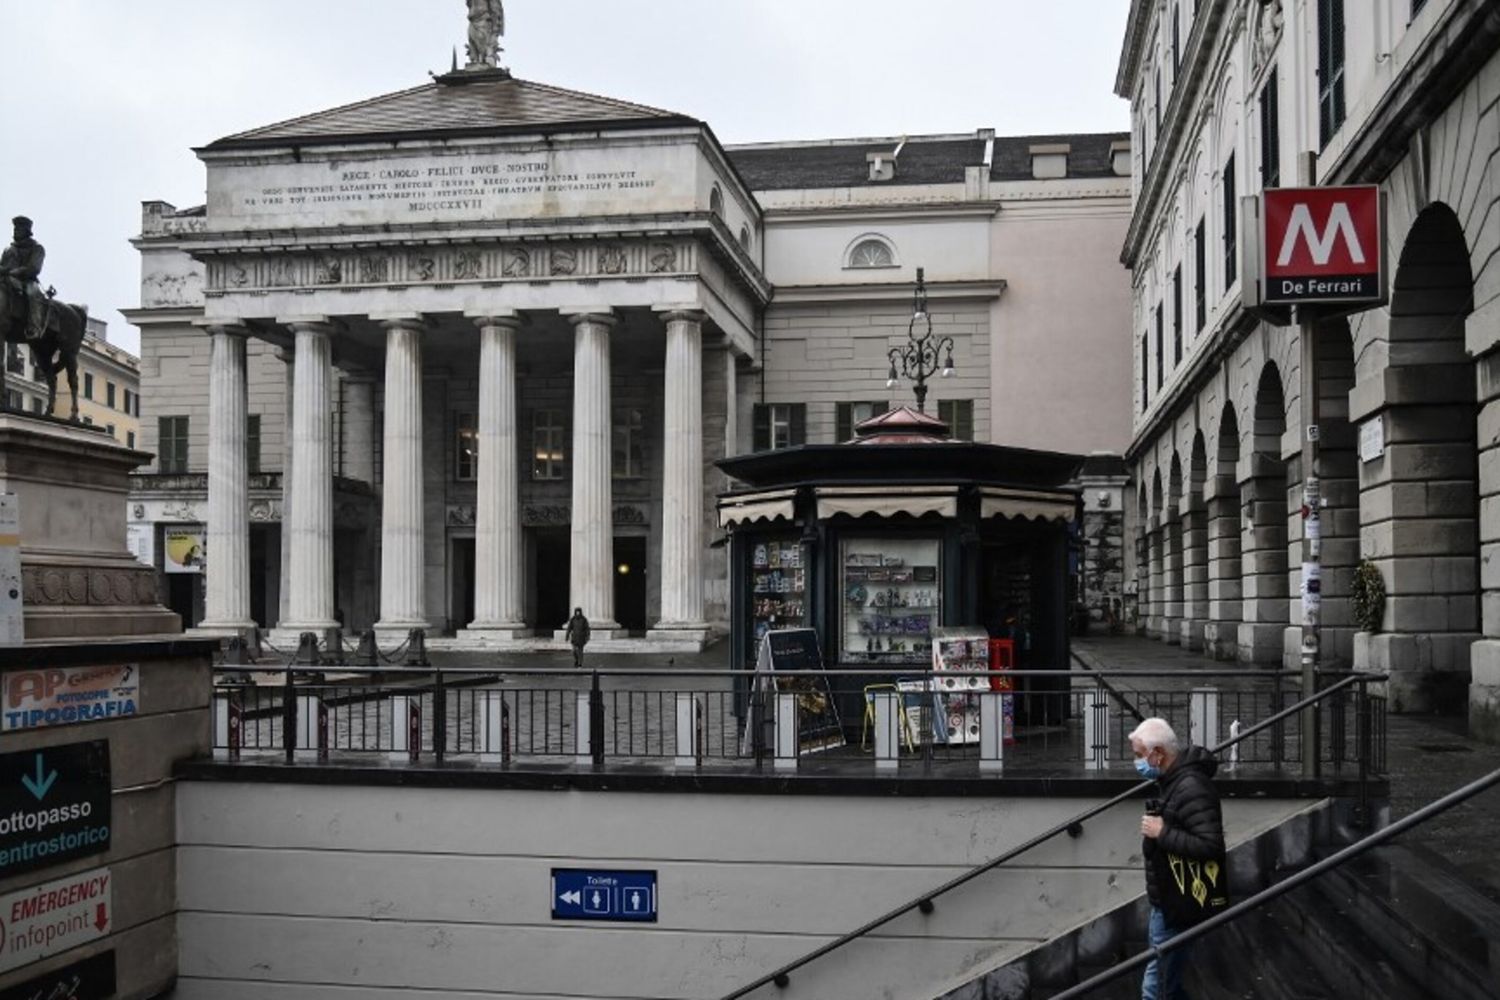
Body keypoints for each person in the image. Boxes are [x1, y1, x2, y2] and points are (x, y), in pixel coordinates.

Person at [1130, 717, 1225, 1000]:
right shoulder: (1173, 781)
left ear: (1158, 753)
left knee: (1155, 989)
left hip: (1176, 900)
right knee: (1167, 984)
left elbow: (1211, 846)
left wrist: (1162, 832)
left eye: (1139, 755)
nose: (1137, 763)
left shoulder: (1191, 787)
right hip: (1168, 898)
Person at [0, 216, 46, 342]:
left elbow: (34, 268)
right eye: (15, 229)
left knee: (33, 294)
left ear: (27, 231)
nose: (15, 231)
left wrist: (17, 271)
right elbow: (3, 265)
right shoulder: (9, 250)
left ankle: (34, 326)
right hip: (7, 279)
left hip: (27, 280)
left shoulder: (37, 248)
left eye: (19, 229)